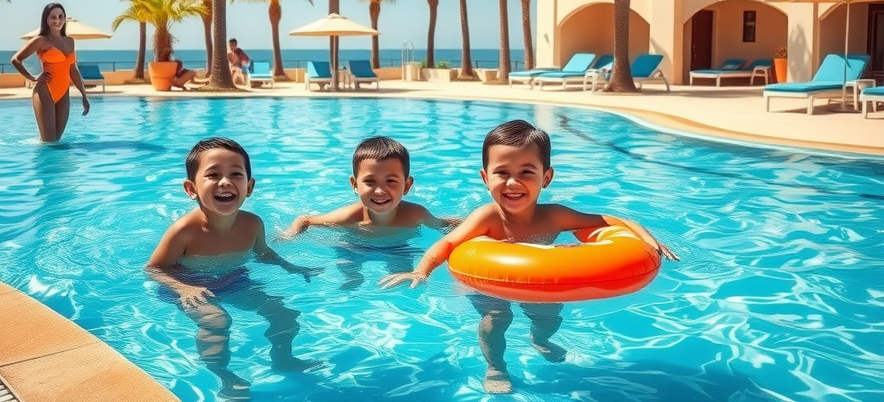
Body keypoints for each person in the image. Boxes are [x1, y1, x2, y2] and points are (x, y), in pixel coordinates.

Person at [379, 119, 678, 395]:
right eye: (502, 173)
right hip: (489, 281)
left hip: (541, 279)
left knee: (548, 317)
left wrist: (648, 241)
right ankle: (496, 366)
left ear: (546, 178)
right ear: (486, 178)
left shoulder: (555, 216)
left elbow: (609, 221)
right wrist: (422, 270)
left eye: (526, 172)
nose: (513, 182)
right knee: (497, 317)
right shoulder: (486, 217)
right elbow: (447, 243)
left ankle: (540, 340)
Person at [147, 137, 323, 399]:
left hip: (234, 280)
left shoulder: (252, 224)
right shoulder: (185, 230)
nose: (225, 182)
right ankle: (224, 377)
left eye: (235, 174)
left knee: (284, 314)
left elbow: (263, 254)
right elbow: (154, 269)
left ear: (249, 186)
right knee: (217, 321)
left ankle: (282, 359)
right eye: (213, 175)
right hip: (188, 285)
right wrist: (183, 288)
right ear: (191, 188)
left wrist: (291, 267)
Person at [281, 136, 460, 288]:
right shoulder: (349, 217)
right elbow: (305, 220)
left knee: (404, 279)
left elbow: (442, 225)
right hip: (355, 247)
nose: (380, 191)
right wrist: (290, 235)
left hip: (398, 248)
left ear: (407, 185)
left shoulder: (415, 214)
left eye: (390, 181)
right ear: (354, 185)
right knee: (349, 269)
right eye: (370, 181)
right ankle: (353, 279)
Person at [10, 2, 90, 143]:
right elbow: (16, 60)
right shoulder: (41, 40)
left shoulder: (70, 41)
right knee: (49, 143)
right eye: (53, 17)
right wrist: (32, 78)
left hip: (63, 92)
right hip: (45, 91)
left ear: (65, 19)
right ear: (46, 19)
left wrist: (84, 95)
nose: (57, 20)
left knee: (56, 141)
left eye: (60, 16)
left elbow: (73, 69)